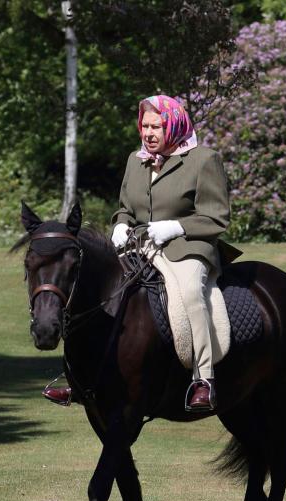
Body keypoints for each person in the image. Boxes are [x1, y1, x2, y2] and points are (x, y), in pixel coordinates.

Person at [44, 94, 232, 412]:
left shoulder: (203, 160)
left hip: (188, 247)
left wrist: (176, 227)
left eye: (155, 126)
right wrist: (120, 225)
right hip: (140, 246)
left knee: (189, 293)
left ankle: (204, 379)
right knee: (97, 291)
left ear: (173, 124)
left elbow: (217, 217)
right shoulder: (137, 159)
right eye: (144, 126)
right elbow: (125, 209)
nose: (148, 133)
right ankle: (78, 379)